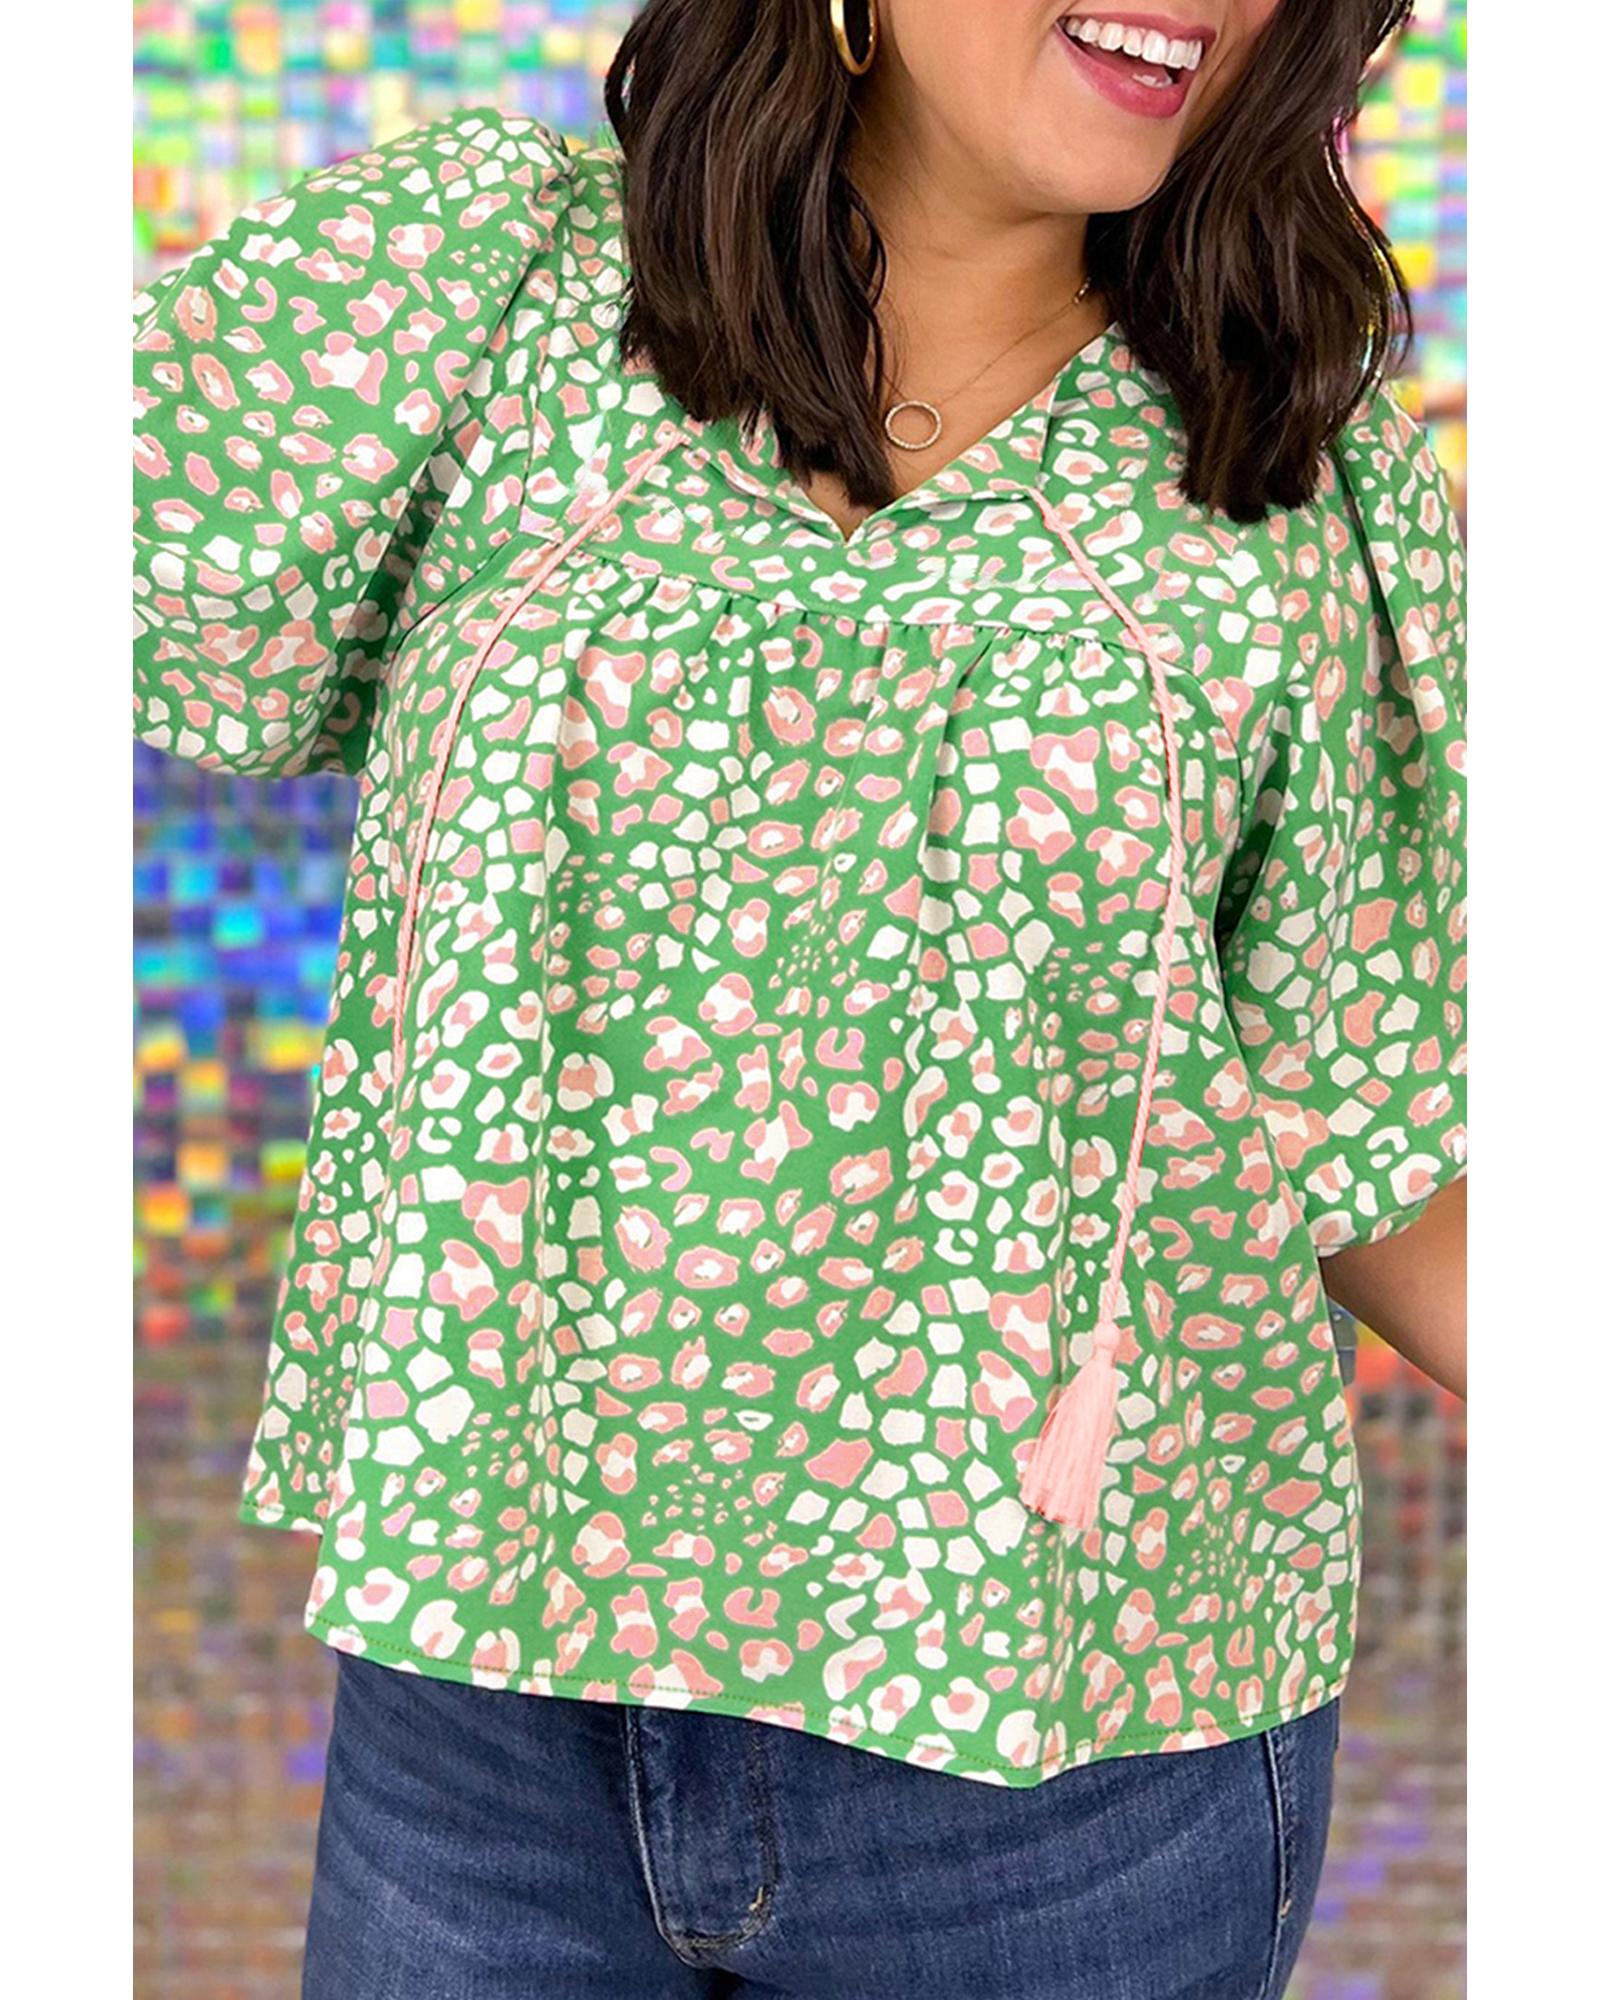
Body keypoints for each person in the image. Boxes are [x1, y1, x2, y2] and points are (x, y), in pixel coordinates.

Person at [131, 2, 1467, 1994]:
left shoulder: (1295, 478)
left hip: (1068, 1746)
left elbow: (1359, 1112)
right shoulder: (486, 295)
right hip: (485, 1693)